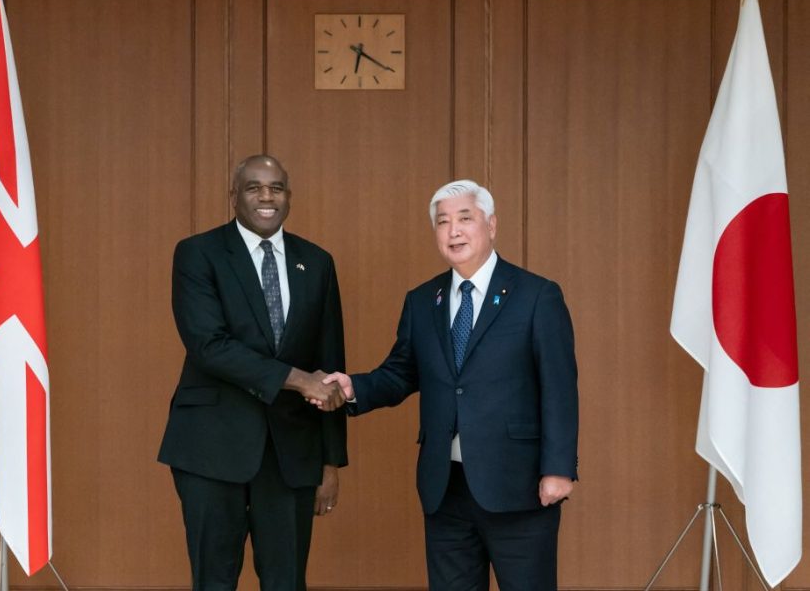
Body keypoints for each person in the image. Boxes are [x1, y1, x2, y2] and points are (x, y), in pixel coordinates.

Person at [323, 180, 578, 590]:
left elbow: (559, 388)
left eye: (464, 218)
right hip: (445, 487)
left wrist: (559, 468)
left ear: (491, 225)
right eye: (442, 222)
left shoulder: (536, 295)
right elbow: (401, 373)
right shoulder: (423, 300)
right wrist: (354, 387)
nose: (453, 231)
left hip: (518, 484)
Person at [158, 155, 347, 591]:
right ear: (234, 196)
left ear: (288, 197)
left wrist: (330, 461)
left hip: (291, 453)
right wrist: (298, 379)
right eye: (254, 187)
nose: (267, 197)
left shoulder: (317, 261)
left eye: (276, 188)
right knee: (214, 579)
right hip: (210, 446)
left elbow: (330, 364)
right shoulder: (198, 253)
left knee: (287, 581)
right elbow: (209, 345)